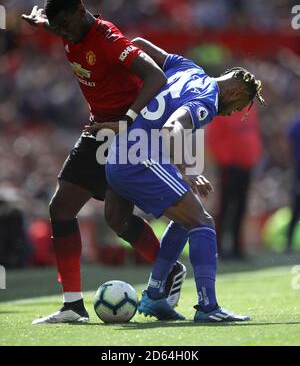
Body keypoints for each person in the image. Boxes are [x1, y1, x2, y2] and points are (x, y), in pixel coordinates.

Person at [22, 0, 186, 325]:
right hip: (98, 132)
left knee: (117, 219)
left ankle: (168, 269)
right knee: (61, 207)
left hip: (127, 134)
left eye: (66, 24)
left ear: (82, 10)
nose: (64, 32)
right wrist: (42, 22)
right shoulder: (66, 25)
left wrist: (125, 122)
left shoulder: (108, 39)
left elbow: (155, 76)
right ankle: (72, 306)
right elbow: (58, 27)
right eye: (59, 27)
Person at [89, 38, 266, 322]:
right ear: (236, 92)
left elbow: (137, 44)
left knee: (187, 219)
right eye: (239, 106)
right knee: (203, 222)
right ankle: (208, 307)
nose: (232, 113)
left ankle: (156, 296)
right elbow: (173, 128)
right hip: (138, 159)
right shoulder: (207, 99)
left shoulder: (188, 67)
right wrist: (189, 170)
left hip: (122, 151)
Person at [207, 108, 262, 259]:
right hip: (229, 167)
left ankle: (237, 248)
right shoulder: (224, 112)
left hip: (246, 165)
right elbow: (213, 139)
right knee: (225, 207)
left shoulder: (250, 110)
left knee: (241, 207)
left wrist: (254, 155)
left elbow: (254, 133)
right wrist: (226, 160)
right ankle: (219, 248)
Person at [286, 116, 300, 252]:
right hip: (299, 168)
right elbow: (289, 143)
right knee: (296, 206)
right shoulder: (297, 123)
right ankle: (288, 242)